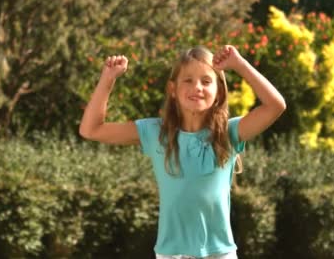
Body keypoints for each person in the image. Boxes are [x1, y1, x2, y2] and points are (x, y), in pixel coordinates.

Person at [79, 45, 286, 259]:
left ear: (219, 92)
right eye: (188, 80)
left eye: (206, 81)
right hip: (171, 254)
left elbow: (275, 106)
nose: (197, 87)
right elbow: (90, 129)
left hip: (220, 253)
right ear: (172, 90)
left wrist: (240, 65)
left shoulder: (228, 133)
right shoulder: (155, 132)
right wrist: (108, 79)